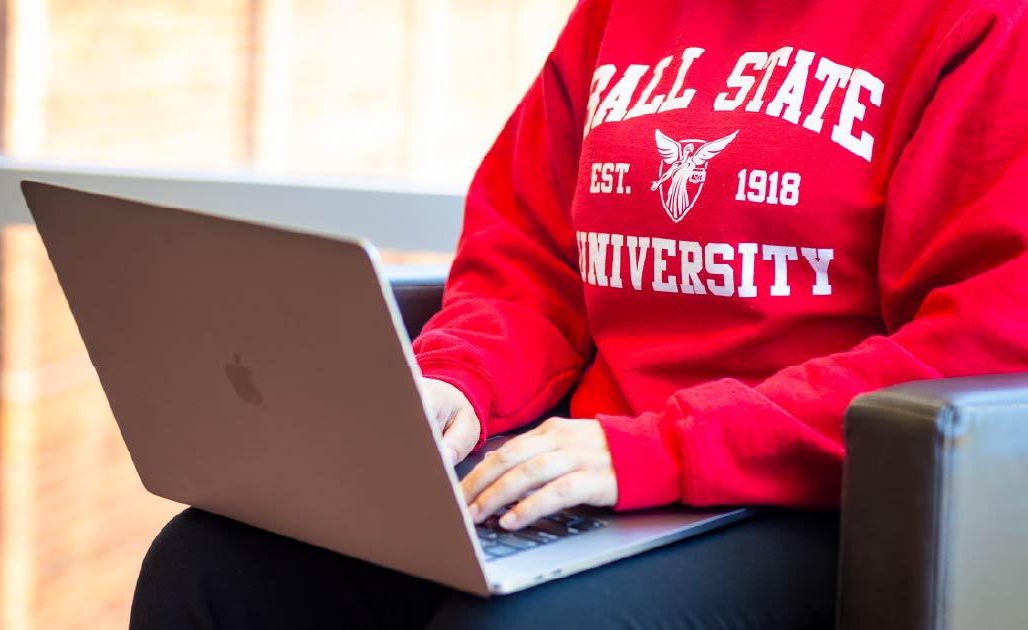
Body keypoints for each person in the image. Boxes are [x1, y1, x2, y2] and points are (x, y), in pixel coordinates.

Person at [130, 0, 1028, 627]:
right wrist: (461, 381)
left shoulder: (981, 24)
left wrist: (663, 449)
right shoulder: (618, 12)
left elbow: (985, 344)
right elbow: (529, 258)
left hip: (809, 504)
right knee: (214, 567)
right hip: (586, 469)